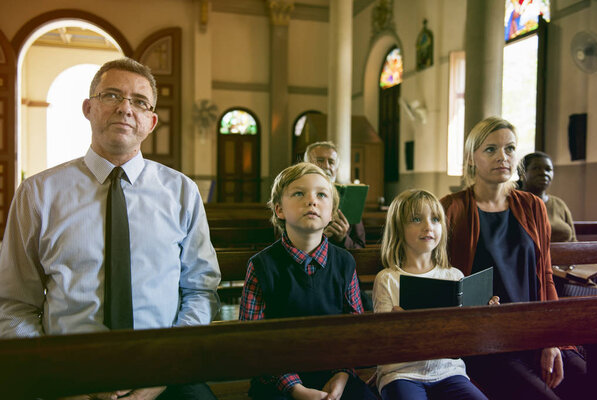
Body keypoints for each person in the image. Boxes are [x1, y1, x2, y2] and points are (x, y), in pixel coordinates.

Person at [0, 58, 221, 400]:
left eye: (139, 102)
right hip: (67, 370)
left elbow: (200, 292)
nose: (125, 109)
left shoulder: (181, 192)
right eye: (112, 95)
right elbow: (13, 305)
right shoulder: (38, 194)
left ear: (152, 121)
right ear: (88, 108)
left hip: (163, 367)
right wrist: (54, 375)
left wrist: (166, 369)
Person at [440, 116, 590, 399]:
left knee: (586, 380)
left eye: (509, 149)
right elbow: (441, 279)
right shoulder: (452, 208)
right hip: (485, 341)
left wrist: (552, 340)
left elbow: (545, 275)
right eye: (490, 149)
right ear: (472, 157)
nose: (502, 157)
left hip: (535, 331)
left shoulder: (531, 206)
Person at [238, 162, 377, 400]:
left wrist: (341, 375)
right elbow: (254, 343)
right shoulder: (261, 266)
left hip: (335, 374)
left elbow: (355, 332)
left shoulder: (344, 263)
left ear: (332, 212)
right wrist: (295, 388)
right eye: (299, 193)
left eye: (321, 195)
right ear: (279, 209)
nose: (311, 201)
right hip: (277, 379)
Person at [373, 189, 491, 400]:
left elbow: (467, 335)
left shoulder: (454, 276)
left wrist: (485, 314)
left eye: (435, 219)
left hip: (449, 371)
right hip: (401, 374)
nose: (428, 226)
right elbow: (383, 342)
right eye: (416, 219)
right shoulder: (387, 278)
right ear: (398, 228)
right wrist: (396, 325)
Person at [304, 141, 366, 250]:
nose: (326, 166)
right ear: (305, 165)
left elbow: (360, 247)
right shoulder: (294, 196)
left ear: (336, 170)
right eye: (320, 161)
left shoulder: (349, 199)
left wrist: (343, 238)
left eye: (331, 162)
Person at [518, 151, 577, 242]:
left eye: (548, 169)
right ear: (522, 173)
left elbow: (573, 241)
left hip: (566, 255)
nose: (543, 173)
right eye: (536, 168)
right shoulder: (513, 202)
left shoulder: (559, 204)